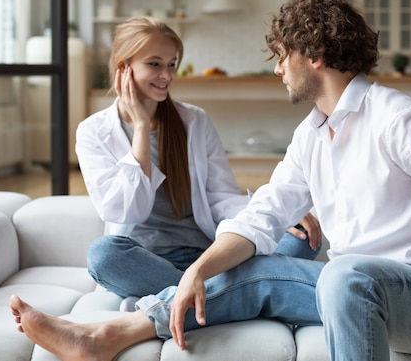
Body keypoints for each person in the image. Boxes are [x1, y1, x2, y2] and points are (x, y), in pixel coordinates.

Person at [11, 0, 411, 361]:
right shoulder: (313, 133)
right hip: (357, 293)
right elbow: (262, 214)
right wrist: (197, 271)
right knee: (259, 270)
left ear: (313, 55)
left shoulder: (396, 115)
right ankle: (107, 336)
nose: (277, 70)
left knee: (343, 271)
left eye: (281, 56)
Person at [75, 16, 321, 301]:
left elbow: (221, 197)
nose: (166, 75)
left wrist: (275, 212)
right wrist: (141, 128)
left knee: (302, 235)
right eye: (154, 64)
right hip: (146, 258)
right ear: (124, 68)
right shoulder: (93, 132)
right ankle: (229, 295)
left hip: (209, 255)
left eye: (171, 64)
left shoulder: (194, 121)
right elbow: (127, 211)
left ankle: (197, 295)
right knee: (102, 256)